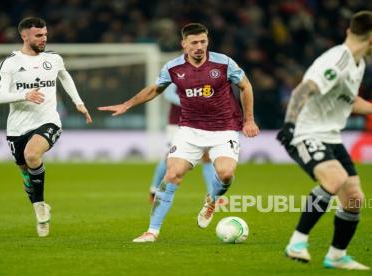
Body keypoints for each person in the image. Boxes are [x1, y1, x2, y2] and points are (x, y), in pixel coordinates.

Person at [98, 23, 259, 242]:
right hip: (189, 130)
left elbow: (246, 86)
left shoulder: (224, 63)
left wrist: (249, 119)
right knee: (172, 174)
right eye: (194, 43)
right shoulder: (173, 68)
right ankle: (152, 231)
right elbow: (155, 89)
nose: (199, 47)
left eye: (203, 41)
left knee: (226, 174)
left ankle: (212, 199)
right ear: (184, 44)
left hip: (224, 129)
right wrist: (127, 104)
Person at [277, 11, 372, 270]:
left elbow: (349, 100)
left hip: (331, 136)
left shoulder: (358, 64)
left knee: (354, 198)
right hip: (307, 132)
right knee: (334, 180)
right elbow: (303, 89)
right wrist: (290, 126)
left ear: (349, 30)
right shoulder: (337, 61)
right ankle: (297, 242)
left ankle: (336, 256)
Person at [0, 17, 92, 237]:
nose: (44, 39)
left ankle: (39, 206)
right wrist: (24, 94)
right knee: (26, 174)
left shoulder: (53, 59)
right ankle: (36, 198)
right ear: (24, 36)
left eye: (45, 34)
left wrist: (79, 103)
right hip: (17, 128)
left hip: (48, 120)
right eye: (38, 35)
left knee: (33, 155)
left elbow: (65, 76)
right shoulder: (9, 63)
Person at [148, 83, 216, 202]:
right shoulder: (176, 71)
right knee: (169, 157)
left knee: (206, 156)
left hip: (198, 122)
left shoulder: (205, 73)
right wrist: (191, 103)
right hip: (177, 123)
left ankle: (213, 195)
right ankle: (154, 189)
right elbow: (169, 95)